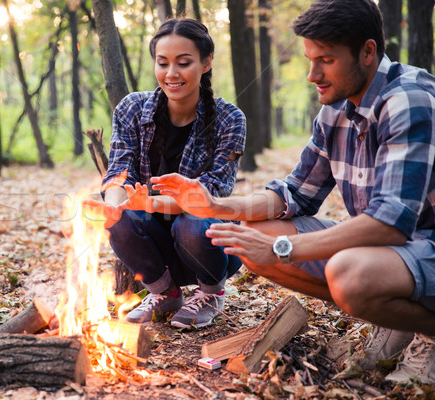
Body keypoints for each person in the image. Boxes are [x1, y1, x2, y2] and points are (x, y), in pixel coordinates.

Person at [151, 0, 435, 384]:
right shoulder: (336, 110)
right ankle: (396, 321)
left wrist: (283, 249)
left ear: (368, 52)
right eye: (309, 59)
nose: (312, 74)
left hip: (423, 246)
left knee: (346, 273)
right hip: (397, 254)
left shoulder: (408, 99)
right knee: (256, 235)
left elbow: (390, 224)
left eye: (326, 60)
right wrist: (215, 204)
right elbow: (294, 195)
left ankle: (429, 335)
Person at [91, 18, 246, 328]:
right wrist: (117, 203)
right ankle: (165, 293)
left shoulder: (229, 118)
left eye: (183, 63)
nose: (171, 74)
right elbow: (120, 169)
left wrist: (148, 203)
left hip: (208, 246)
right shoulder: (132, 109)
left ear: (206, 63)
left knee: (191, 224)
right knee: (114, 217)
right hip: (156, 246)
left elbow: (210, 195)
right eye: (163, 63)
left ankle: (211, 293)